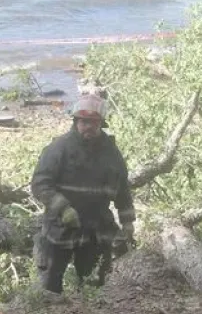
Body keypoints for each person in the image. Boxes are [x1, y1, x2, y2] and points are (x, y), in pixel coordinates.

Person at [30, 94, 135, 294]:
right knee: (50, 285)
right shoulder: (59, 148)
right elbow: (40, 183)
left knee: (92, 284)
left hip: (96, 228)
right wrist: (63, 208)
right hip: (60, 226)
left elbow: (122, 189)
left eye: (93, 123)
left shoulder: (111, 153)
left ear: (101, 125)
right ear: (76, 122)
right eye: (84, 122)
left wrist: (128, 222)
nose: (88, 127)